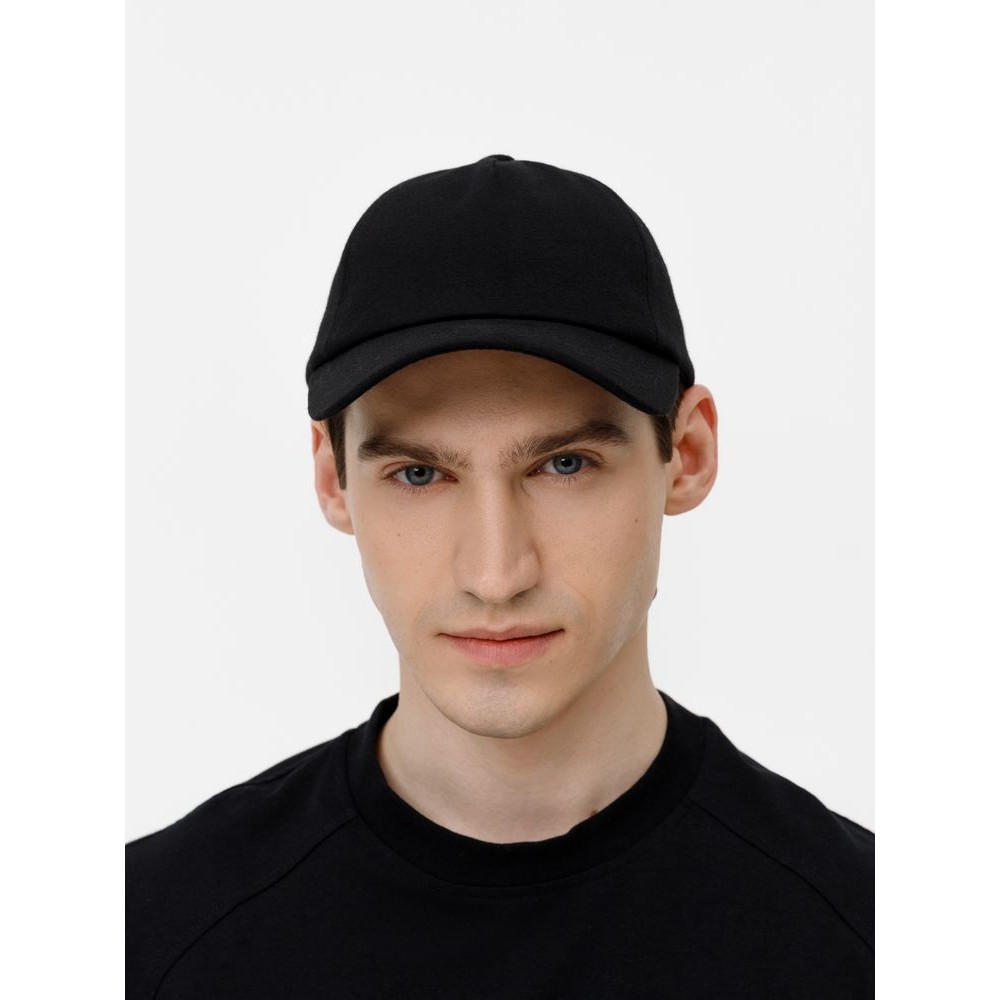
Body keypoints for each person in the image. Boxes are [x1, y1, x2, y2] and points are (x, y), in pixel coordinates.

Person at [126, 154, 874, 998]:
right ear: (333, 479)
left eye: (565, 464)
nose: (495, 574)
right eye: (419, 474)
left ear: (689, 454)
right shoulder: (146, 940)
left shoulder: (868, 943)